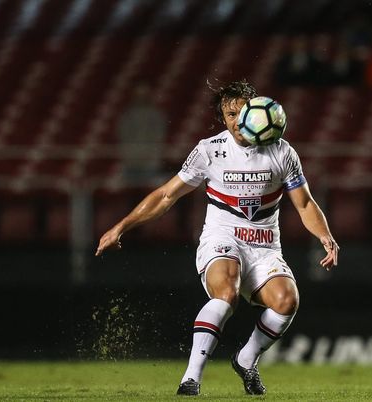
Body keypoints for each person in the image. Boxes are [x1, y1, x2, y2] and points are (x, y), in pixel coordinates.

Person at [95, 79, 339, 396]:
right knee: (226, 292)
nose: (237, 120)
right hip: (222, 238)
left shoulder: (281, 152)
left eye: (242, 112)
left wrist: (325, 235)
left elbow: (304, 203)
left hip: (264, 246)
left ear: (257, 110)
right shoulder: (210, 150)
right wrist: (122, 226)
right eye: (229, 114)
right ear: (222, 118)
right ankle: (191, 378)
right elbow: (166, 195)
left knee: (287, 301)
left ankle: (246, 359)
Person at [116, 82, 167, 183]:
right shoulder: (128, 115)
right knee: (129, 188)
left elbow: (159, 135)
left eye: (144, 95)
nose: (141, 98)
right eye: (139, 95)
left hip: (150, 159)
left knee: (149, 189)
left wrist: (150, 151)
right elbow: (123, 134)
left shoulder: (155, 115)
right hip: (131, 159)